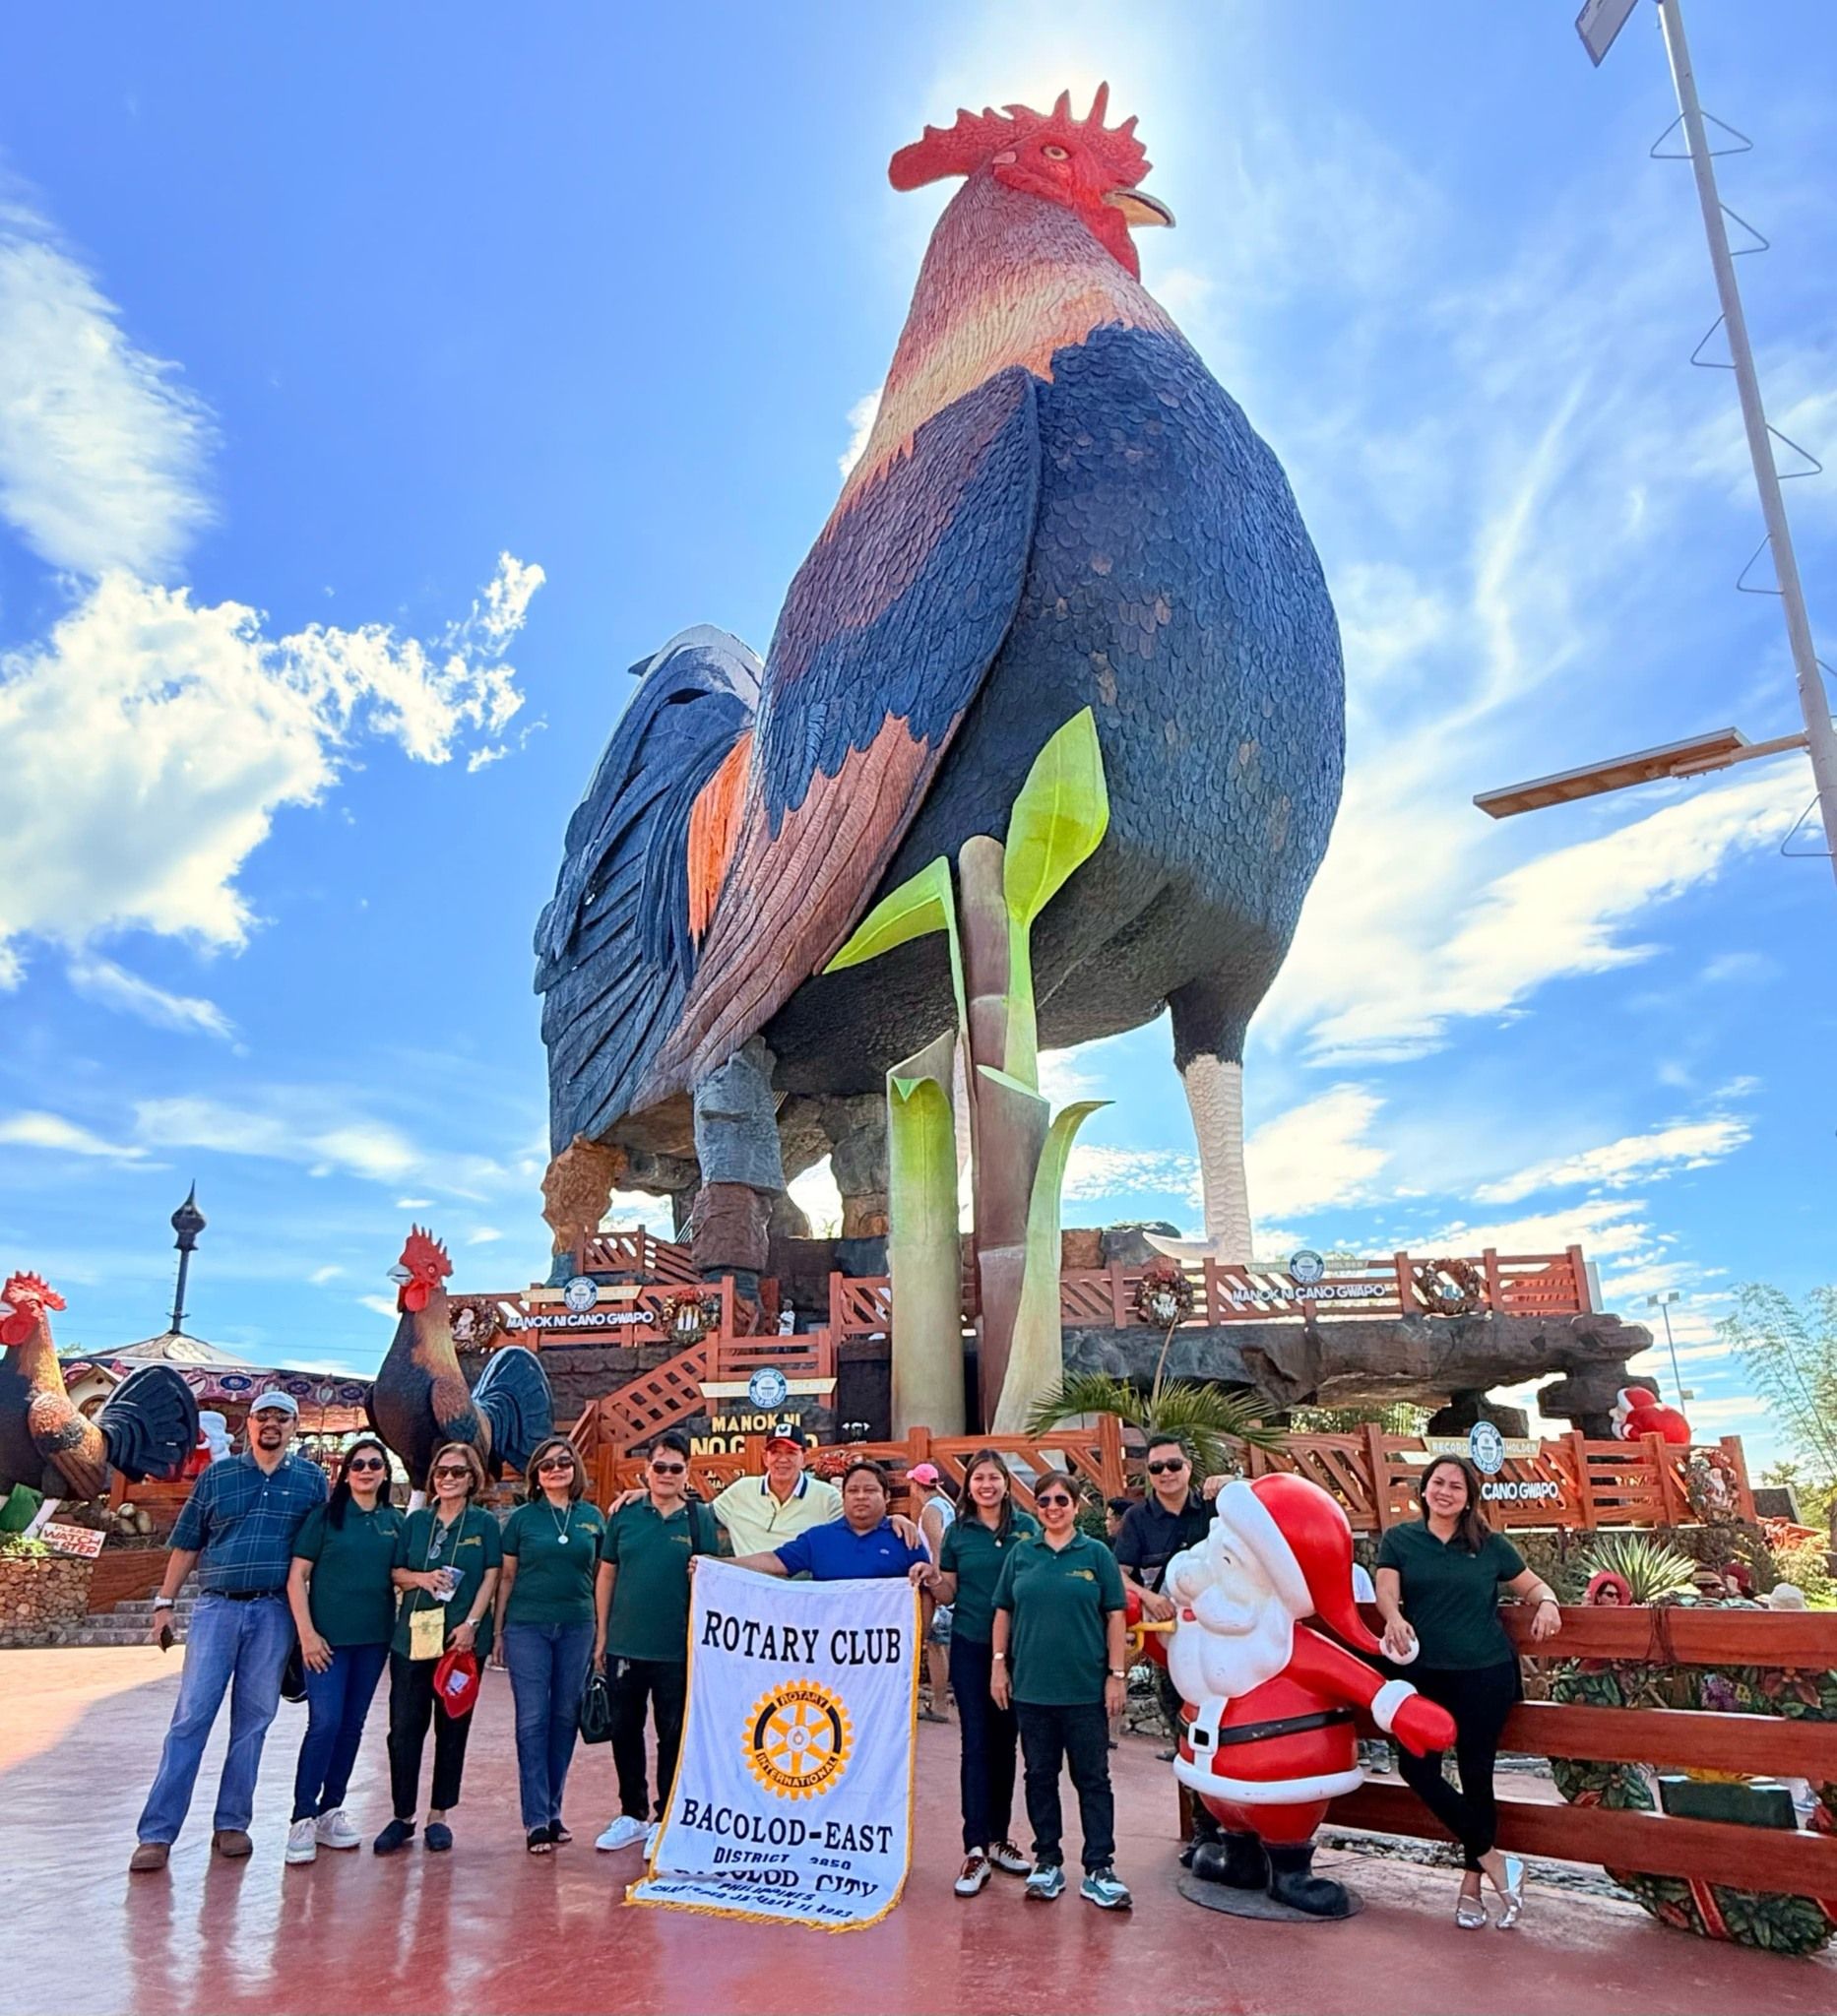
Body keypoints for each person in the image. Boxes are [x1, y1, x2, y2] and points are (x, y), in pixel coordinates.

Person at [130, 1392, 328, 1872]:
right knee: (191, 1717)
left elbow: (319, 1554)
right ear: (250, 1425)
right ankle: (157, 1833)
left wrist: (312, 1626)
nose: (271, 1425)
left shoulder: (311, 1482)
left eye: (282, 1418)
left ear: (294, 1427)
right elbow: (187, 1543)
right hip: (218, 1608)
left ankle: (232, 1822)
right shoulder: (218, 1477)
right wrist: (163, 1604)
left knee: (254, 1720)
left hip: (274, 1612)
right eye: (264, 1416)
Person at [1375, 1454, 1560, 1929]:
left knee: (1478, 1776)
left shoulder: (1490, 1546)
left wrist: (1548, 1604)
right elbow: (1386, 1592)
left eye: (1456, 1486)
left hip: (1485, 1672)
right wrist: (1394, 1618)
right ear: (1424, 1489)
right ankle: (1496, 1861)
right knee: (1415, 1768)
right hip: (1423, 1675)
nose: (1445, 1491)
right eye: (1438, 1482)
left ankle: (1473, 1885)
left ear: (1468, 1498)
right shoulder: (1400, 1540)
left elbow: (1534, 1585)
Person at [991, 1472, 1132, 1911]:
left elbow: (1115, 1615)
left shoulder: (1096, 1555)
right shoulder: (1021, 1554)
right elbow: (1003, 1611)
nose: (1053, 1508)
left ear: (1076, 1505)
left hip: (1086, 1691)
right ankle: (1047, 1861)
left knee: (1093, 1780)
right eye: (1044, 1501)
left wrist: (1117, 1674)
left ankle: (1098, 1868)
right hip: (1032, 1691)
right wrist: (999, 1667)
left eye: (1061, 1500)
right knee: (1039, 1777)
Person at [913, 1448, 1039, 1897]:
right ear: (968, 1487)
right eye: (978, 1479)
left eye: (993, 1478)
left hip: (1020, 1652)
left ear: (1005, 1483)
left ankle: (1001, 1838)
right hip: (972, 1645)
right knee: (977, 1743)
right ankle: (975, 1846)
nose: (986, 1485)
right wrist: (930, 1576)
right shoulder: (958, 1533)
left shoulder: (1027, 1528)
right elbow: (948, 1594)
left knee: (1008, 1744)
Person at [592, 1431, 716, 1855]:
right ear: (646, 1470)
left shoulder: (701, 1521)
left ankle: (666, 1818)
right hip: (625, 1644)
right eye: (659, 1466)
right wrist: (602, 1633)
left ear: (688, 1474)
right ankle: (631, 1813)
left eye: (675, 1468)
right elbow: (607, 1573)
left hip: (677, 1650)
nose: (666, 1475)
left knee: (672, 1734)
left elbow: (714, 1580)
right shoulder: (624, 1515)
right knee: (624, 1730)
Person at [376, 1441, 500, 1856]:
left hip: (460, 1643)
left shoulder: (483, 1523)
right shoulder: (415, 1523)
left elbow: (491, 1575)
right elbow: (395, 1572)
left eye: (457, 1472)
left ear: (472, 1479)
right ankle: (402, 1815)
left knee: (452, 1728)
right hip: (413, 1639)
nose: (448, 1479)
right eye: (442, 1472)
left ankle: (439, 1815)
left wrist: (472, 1624)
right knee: (404, 1729)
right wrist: (422, 1579)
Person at [285, 1437, 403, 1863]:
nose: (366, 1470)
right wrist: (307, 1634)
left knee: (352, 1725)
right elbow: (297, 1576)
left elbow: (400, 1573)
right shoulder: (325, 1518)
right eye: (358, 1464)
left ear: (385, 1473)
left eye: (374, 1464)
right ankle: (303, 1815)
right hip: (326, 1643)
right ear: (346, 1472)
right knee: (324, 1723)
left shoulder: (395, 1521)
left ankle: (331, 1808)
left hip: (372, 1641)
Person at [494, 1435, 606, 1853]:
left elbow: (601, 1575)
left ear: (575, 1468)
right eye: (546, 1465)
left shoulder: (592, 1518)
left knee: (565, 1718)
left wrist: (602, 1633)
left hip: (578, 1625)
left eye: (563, 1462)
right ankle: (535, 1818)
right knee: (532, 1720)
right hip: (527, 1626)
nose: (555, 1469)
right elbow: (507, 1577)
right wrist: (498, 1631)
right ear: (536, 1477)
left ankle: (553, 1809)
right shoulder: (522, 1520)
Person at [732, 1460, 929, 1582]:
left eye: (870, 1490)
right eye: (853, 1491)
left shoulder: (906, 1538)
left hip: (887, 1647)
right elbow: (774, 1561)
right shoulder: (818, 1539)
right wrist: (715, 1563)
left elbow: (926, 1589)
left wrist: (919, 1641)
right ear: (843, 1496)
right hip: (830, 1645)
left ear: (886, 1497)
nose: (861, 1496)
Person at [708, 1425, 841, 1556]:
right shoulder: (741, 1491)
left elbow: (854, 1535)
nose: (782, 1459)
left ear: (805, 1459)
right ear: (765, 1458)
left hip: (802, 1577)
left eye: (791, 1452)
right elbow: (700, 1517)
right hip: (749, 1576)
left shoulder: (827, 1497)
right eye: (775, 1452)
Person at [908, 1462, 956, 1723]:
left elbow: (937, 1547)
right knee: (940, 1644)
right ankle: (940, 1700)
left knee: (934, 1644)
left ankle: (939, 1704)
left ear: (917, 1485)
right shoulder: (946, 1505)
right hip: (948, 1580)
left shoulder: (930, 1511)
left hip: (937, 1583)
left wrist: (937, 1583)